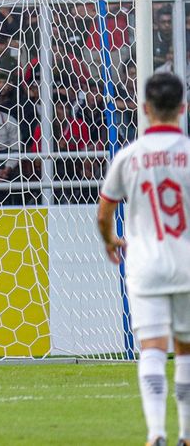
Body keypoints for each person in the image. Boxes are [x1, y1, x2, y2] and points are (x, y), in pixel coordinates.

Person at [98, 72, 190, 446]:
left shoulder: (128, 156)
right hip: (187, 262)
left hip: (145, 265)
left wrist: (110, 241)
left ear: (145, 109)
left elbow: (104, 213)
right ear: (183, 109)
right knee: (185, 348)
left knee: (152, 346)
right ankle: (186, 433)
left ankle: (155, 433)